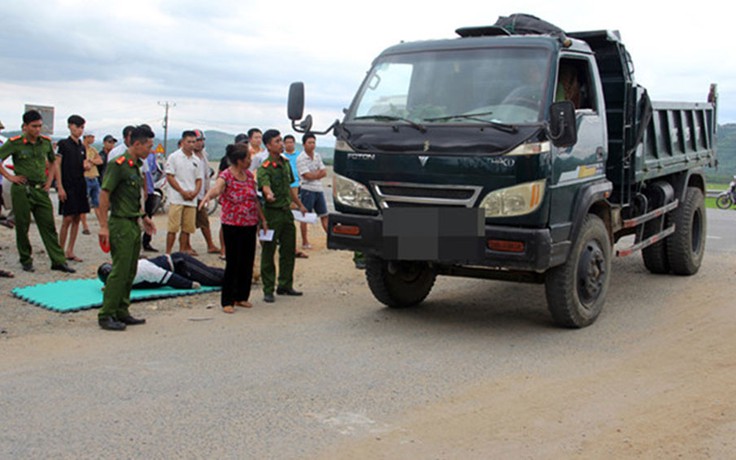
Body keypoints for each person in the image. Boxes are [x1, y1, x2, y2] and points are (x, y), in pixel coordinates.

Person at [0, 110, 75, 273]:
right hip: (22, 189)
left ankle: (58, 260)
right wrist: (10, 177)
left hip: (40, 189)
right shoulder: (15, 143)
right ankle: (26, 259)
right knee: (22, 225)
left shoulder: (45, 142)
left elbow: (53, 162)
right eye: (34, 126)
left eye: (40, 126)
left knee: (48, 225)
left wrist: (49, 182)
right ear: (25, 127)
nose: (37, 129)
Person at [97, 125, 156, 331]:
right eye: (148, 146)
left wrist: (144, 216)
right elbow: (104, 195)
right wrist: (103, 226)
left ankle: (122, 310)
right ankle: (106, 314)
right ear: (137, 144)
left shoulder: (135, 165)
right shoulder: (118, 164)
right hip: (120, 223)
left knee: (131, 270)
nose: (151, 150)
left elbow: (134, 196)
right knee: (120, 270)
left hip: (133, 222)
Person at [200, 142, 266, 313]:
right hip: (232, 225)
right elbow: (217, 189)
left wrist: (262, 220)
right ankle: (227, 300)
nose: (250, 161)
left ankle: (242, 297)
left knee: (247, 261)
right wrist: (208, 196)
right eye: (248, 158)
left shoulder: (250, 176)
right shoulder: (226, 175)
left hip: (249, 224)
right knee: (233, 262)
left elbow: (254, 200)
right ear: (238, 160)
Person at [257, 129, 307, 303]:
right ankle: (268, 289)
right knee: (268, 252)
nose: (281, 144)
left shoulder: (285, 164)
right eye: (277, 141)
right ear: (269, 146)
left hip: (286, 213)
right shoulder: (264, 168)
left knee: (288, 250)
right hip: (272, 215)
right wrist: (268, 194)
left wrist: (300, 205)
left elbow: (289, 188)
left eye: (281, 141)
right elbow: (265, 187)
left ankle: (285, 285)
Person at [57, 115, 91, 263]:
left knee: (77, 217)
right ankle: (59, 250)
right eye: (77, 127)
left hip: (80, 184)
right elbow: (57, 165)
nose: (80, 130)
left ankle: (70, 250)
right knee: (67, 218)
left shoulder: (82, 147)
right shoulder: (63, 144)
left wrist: (87, 165)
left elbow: (84, 163)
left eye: (82, 127)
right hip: (67, 184)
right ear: (70, 126)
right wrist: (59, 186)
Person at [97, 251, 224, 290]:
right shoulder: (123, 278)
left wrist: (190, 285)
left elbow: (169, 278)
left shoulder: (142, 269)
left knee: (212, 278)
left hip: (180, 264)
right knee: (210, 272)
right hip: (176, 270)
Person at [165, 130, 201, 255]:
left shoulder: (196, 160)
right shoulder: (174, 157)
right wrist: (182, 191)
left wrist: (195, 192)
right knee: (173, 228)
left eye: (194, 142)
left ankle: (182, 251)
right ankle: (168, 253)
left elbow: (199, 179)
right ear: (182, 142)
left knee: (187, 229)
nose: (192, 144)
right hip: (177, 198)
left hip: (191, 199)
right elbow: (170, 177)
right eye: (189, 142)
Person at [296, 132, 329, 249]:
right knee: (305, 216)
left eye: (314, 142)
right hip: (307, 189)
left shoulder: (317, 155)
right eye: (309, 142)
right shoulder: (301, 158)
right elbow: (306, 176)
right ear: (304, 144)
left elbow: (324, 172)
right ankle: (305, 241)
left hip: (318, 189)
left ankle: (330, 238)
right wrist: (317, 174)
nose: (312, 145)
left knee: (324, 215)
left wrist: (315, 175)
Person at [192, 129, 220, 254]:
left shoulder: (204, 155)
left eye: (201, 140)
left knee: (204, 221)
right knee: (188, 222)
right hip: (191, 194)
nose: (199, 143)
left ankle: (210, 244)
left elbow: (206, 175)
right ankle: (186, 245)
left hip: (202, 193)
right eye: (197, 140)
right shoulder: (188, 156)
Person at [81, 132, 103, 235]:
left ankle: (102, 224)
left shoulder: (92, 149)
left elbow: (100, 160)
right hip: (85, 177)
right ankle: (85, 226)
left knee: (97, 203)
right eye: (92, 137)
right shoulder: (80, 149)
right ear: (86, 137)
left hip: (94, 177)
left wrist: (91, 161)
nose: (93, 139)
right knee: (84, 203)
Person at [142, 146, 160, 252]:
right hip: (140, 190)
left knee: (149, 216)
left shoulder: (151, 155)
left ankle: (146, 241)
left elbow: (153, 170)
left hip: (149, 188)